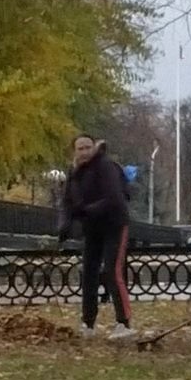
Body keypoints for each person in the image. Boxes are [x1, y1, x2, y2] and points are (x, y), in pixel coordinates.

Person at [60, 134, 135, 338]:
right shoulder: (74, 172)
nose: (84, 152)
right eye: (80, 148)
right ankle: (88, 323)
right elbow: (67, 201)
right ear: (74, 152)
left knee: (113, 270)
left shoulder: (105, 166)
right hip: (92, 228)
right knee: (89, 273)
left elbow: (113, 198)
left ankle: (124, 323)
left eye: (87, 147)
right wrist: (65, 225)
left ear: (94, 148)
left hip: (115, 224)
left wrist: (85, 211)